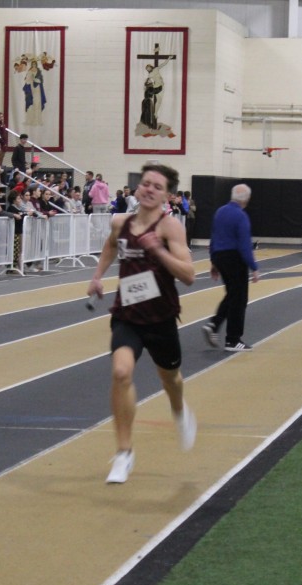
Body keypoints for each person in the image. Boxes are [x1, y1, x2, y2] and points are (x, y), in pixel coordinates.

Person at [86, 162, 197, 484]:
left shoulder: (170, 228)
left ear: (167, 196)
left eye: (157, 187)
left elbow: (189, 275)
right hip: (128, 315)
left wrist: (157, 251)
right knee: (121, 373)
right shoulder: (120, 222)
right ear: (138, 187)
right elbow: (111, 246)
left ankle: (179, 410)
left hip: (161, 317)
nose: (149, 189)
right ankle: (124, 452)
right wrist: (97, 276)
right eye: (146, 183)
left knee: (171, 380)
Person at [202, 184, 260, 352]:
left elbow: (213, 238)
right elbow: (244, 244)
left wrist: (213, 262)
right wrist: (254, 267)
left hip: (220, 257)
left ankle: (215, 324)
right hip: (234, 258)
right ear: (247, 200)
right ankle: (233, 339)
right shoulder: (241, 216)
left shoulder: (220, 212)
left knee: (233, 295)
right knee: (240, 299)